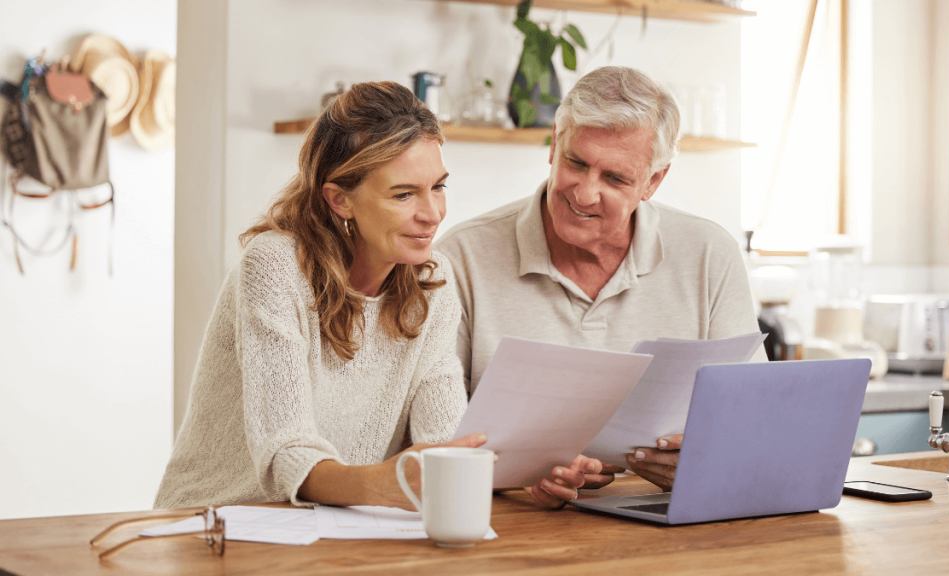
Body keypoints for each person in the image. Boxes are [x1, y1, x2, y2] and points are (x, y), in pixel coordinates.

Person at [154, 82, 593, 510]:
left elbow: (444, 438)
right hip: (214, 522)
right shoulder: (275, 268)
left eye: (438, 187)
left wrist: (523, 472)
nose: (432, 214)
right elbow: (286, 451)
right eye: (404, 195)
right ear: (340, 200)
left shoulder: (431, 281)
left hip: (335, 529)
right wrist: (379, 485)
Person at [437, 67, 767, 492]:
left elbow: (752, 416)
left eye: (615, 178)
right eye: (577, 162)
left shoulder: (709, 254)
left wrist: (710, 456)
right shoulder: (461, 256)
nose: (585, 193)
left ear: (652, 181)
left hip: (663, 516)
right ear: (555, 145)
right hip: (508, 521)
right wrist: (516, 478)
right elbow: (435, 435)